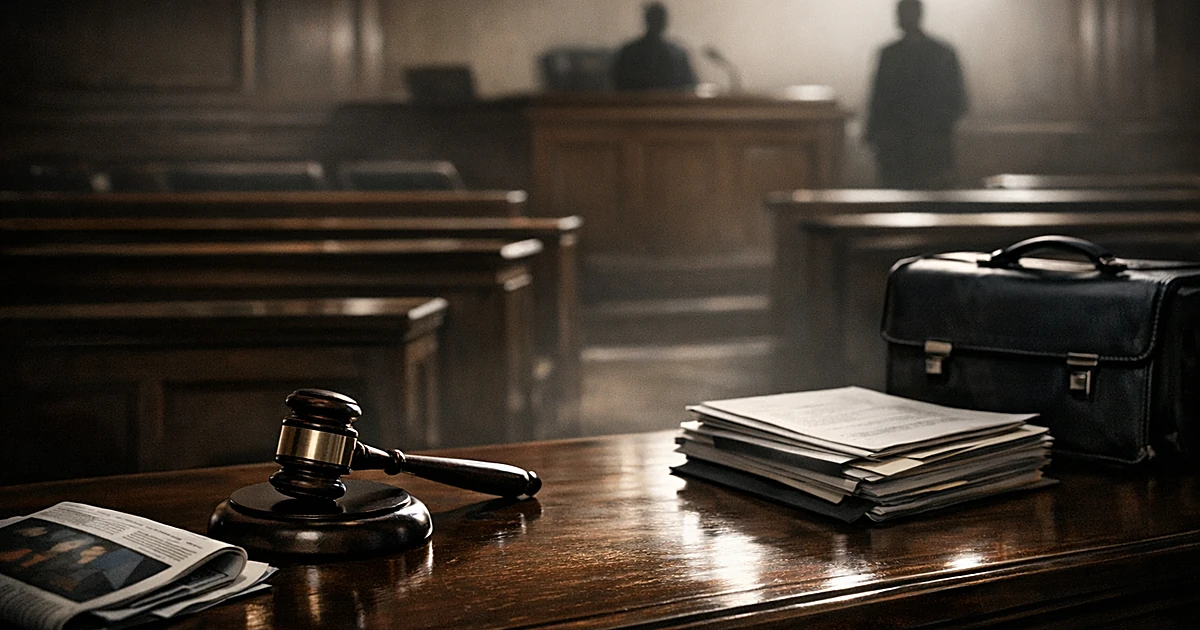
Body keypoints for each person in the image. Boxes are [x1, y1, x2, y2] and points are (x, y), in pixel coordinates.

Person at [866, 0, 967, 189]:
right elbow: (878, 100)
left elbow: (957, 100)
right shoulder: (940, 53)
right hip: (909, 146)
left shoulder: (892, 55)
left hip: (920, 145)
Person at [612, 2, 697, 91]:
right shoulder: (678, 54)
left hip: (640, 100)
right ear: (665, 23)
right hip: (653, 99)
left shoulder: (629, 51)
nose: (656, 23)